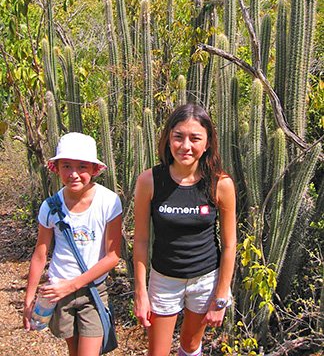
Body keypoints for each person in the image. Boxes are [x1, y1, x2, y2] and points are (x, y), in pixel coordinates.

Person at [133, 104, 236, 356]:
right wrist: (140, 292)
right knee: (157, 352)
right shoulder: (149, 181)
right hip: (164, 279)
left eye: (195, 138)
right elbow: (142, 240)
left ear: (208, 142)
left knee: (190, 346)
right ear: (168, 138)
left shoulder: (220, 184)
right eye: (178, 136)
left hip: (205, 280)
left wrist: (221, 296)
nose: (185, 146)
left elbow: (229, 244)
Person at [23, 132, 122, 356]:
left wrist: (73, 284)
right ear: (55, 168)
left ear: (94, 170)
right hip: (58, 292)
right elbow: (40, 254)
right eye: (66, 166)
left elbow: (113, 256)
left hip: (93, 290)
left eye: (82, 167)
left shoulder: (108, 202)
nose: (74, 174)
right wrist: (29, 300)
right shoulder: (50, 206)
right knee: (74, 351)